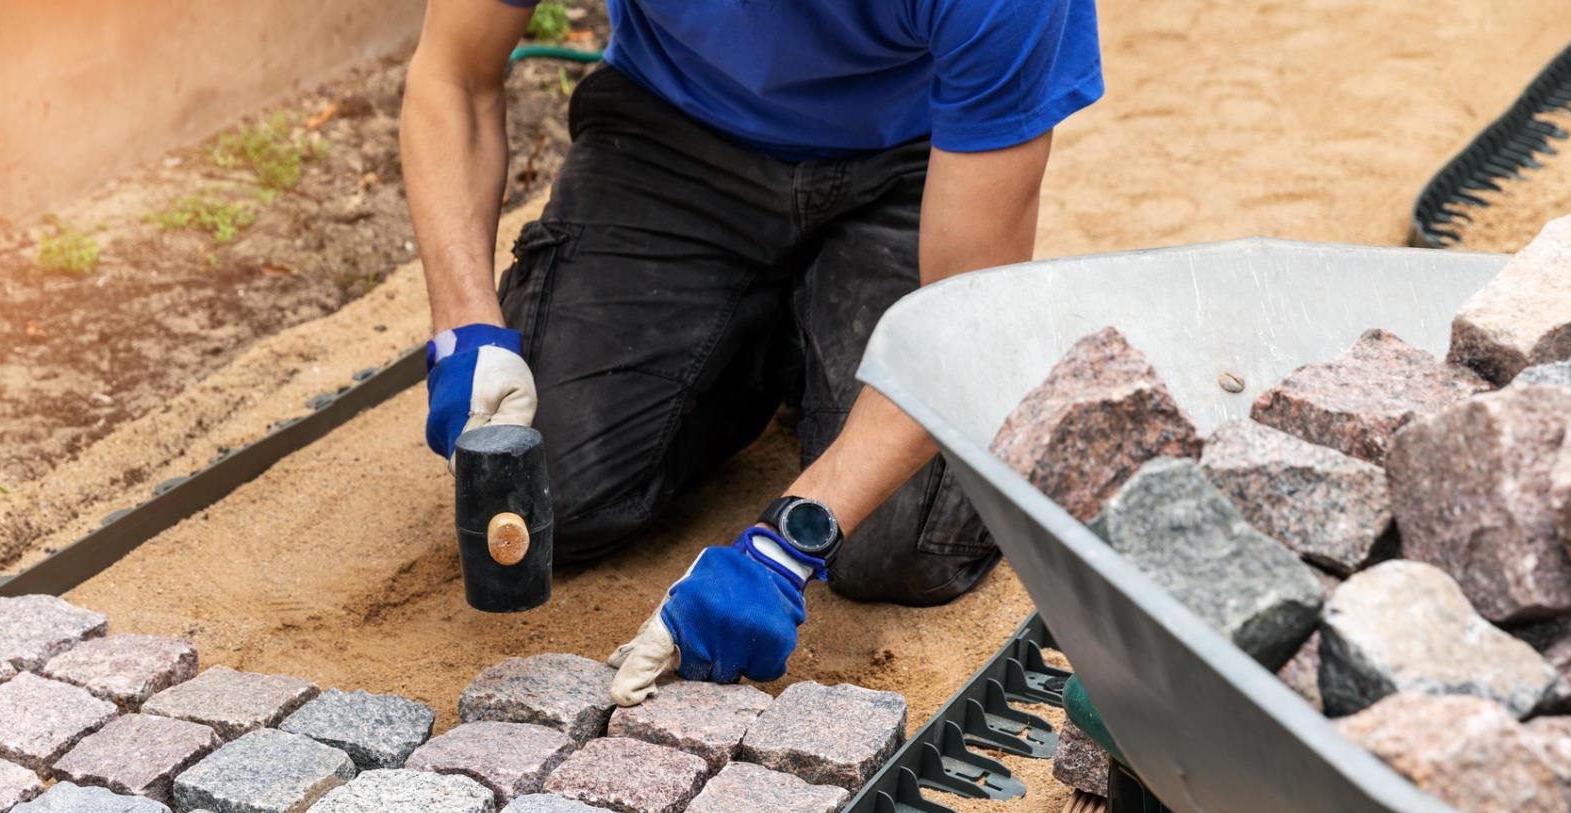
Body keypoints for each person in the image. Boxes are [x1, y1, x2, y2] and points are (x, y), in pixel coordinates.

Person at [402, 0, 1101, 703]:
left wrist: (788, 544)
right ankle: (775, 333)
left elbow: (957, 318)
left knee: (893, 550)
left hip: (917, 163)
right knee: (544, 491)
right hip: (673, 134)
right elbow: (453, 77)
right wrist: (466, 331)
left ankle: (852, 335)